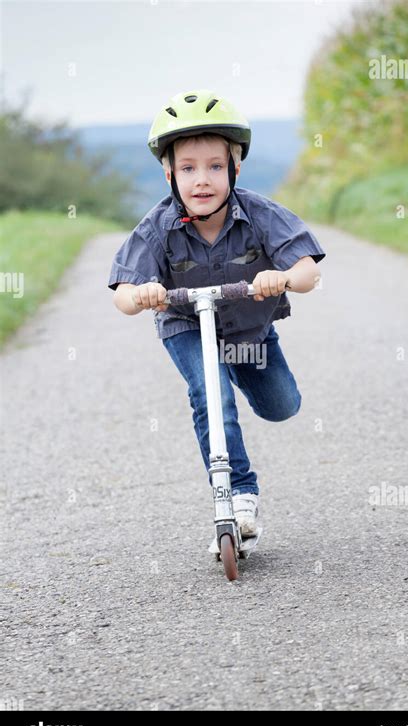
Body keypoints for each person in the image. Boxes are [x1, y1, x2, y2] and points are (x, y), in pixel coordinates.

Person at [108, 89, 326, 538]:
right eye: (187, 169)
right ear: (169, 174)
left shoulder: (261, 213)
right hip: (187, 324)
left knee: (282, 406)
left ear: (235, 169)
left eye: (214, 167)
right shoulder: (156, 227)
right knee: (211, 396)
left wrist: (282, 278)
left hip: (250, 330)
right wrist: (142, 294)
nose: (201, 180)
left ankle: (252, 424)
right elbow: (122, 294)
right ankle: (236, 495)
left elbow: (308, 273)